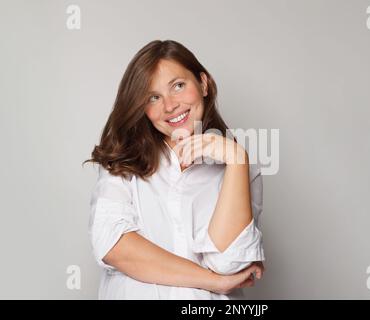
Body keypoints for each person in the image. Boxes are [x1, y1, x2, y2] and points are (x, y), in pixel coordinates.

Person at [83, 39, 265, 299]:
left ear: (203, 84)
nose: (170, 106)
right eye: (153, 97)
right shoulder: (123, 160)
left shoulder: (241, 168)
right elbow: (115, 246)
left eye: (178, 86)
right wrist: (214, 281)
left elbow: (229, 263)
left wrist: (237, 160)